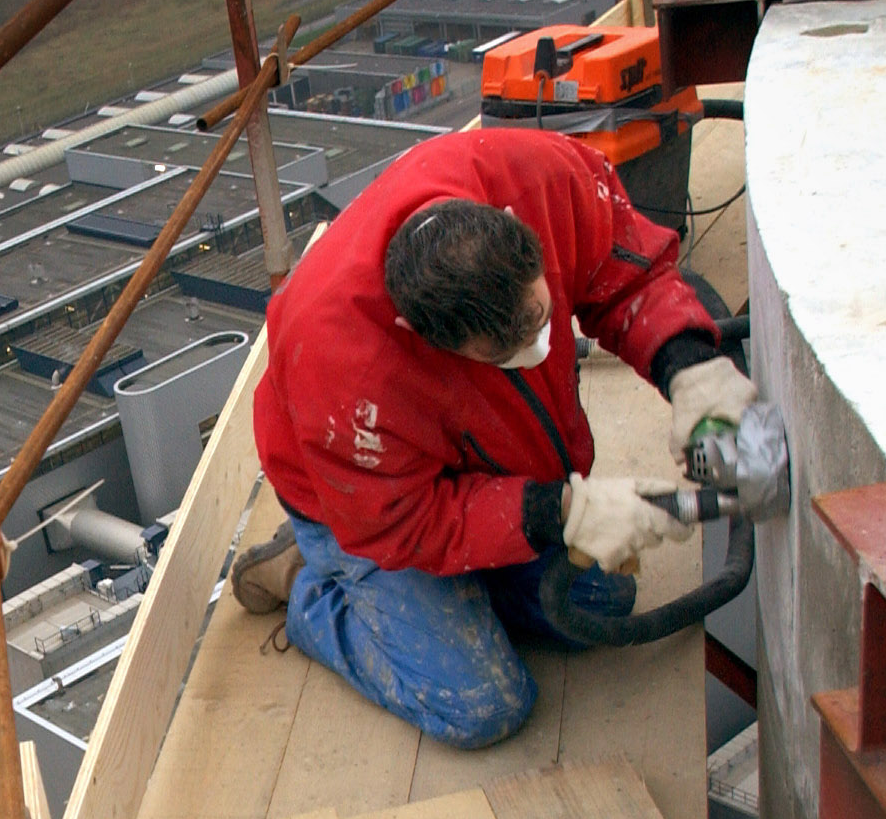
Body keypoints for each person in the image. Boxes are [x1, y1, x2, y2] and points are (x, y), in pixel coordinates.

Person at [234, 126, 756, 747]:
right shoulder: (344, 371)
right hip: (366, 504)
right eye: (505, 351)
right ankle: (308, 583)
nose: (537, 352)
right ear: (419, 333)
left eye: (539, 320)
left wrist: (687, 364)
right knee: (484, 705)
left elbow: (626, 268)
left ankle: (449, 594)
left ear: (520, 231)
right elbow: (408, 524)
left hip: (471, 463)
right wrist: (557, 511)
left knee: (599, 603)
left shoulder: (538, 177)